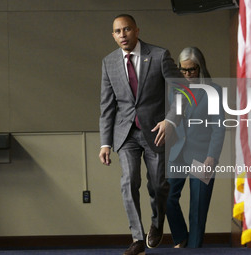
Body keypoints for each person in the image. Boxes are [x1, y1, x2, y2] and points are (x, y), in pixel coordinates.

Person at [98, 14, 184, 255]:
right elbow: (106, 107)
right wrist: (105, 143)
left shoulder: (159, 55)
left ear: (137, 30)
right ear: (113, 35)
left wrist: (170, 120)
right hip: (125, 134)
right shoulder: (109, 63)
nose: (122, 35)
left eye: (127, 29)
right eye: (117, 31)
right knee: (129, 180)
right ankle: (137, 237)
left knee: (158, 185)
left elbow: (183, 92)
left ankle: (157, 224)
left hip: (156, 132)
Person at [166, 47, 226, 248]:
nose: (187, 74)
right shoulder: (175, 89)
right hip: (177, 153)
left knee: (198, 209)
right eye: (183, 70)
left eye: (191, 69)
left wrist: (212, 157)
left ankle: (193, 250)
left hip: (202, 155)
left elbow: (219, 127)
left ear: (200, 67)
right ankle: (181, 237)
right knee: (165, 197)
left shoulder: (214, 91)